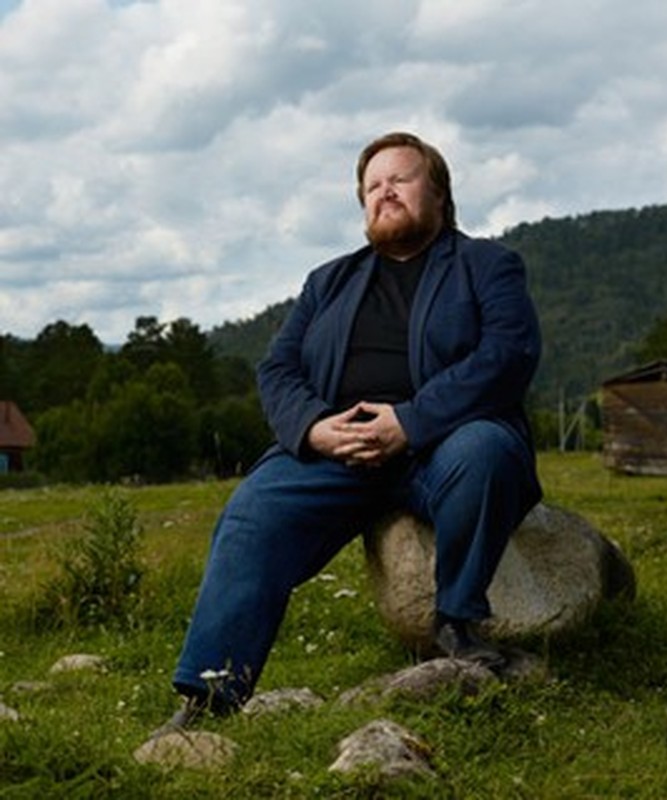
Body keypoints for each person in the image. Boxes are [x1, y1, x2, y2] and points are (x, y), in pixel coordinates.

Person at [158, 132, 542, 732]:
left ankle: (458, 625)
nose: (384, 191)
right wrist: (314, 429)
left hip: (443, 443)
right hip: (338, 450)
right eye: (372, 185)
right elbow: (278, 370)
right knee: (252, 511)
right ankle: (212, 693)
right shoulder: (328, 282)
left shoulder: (486, 265)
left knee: (486, 450)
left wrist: (410, 422)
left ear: (439, 194)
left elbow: (509, 354)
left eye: (401, 179)